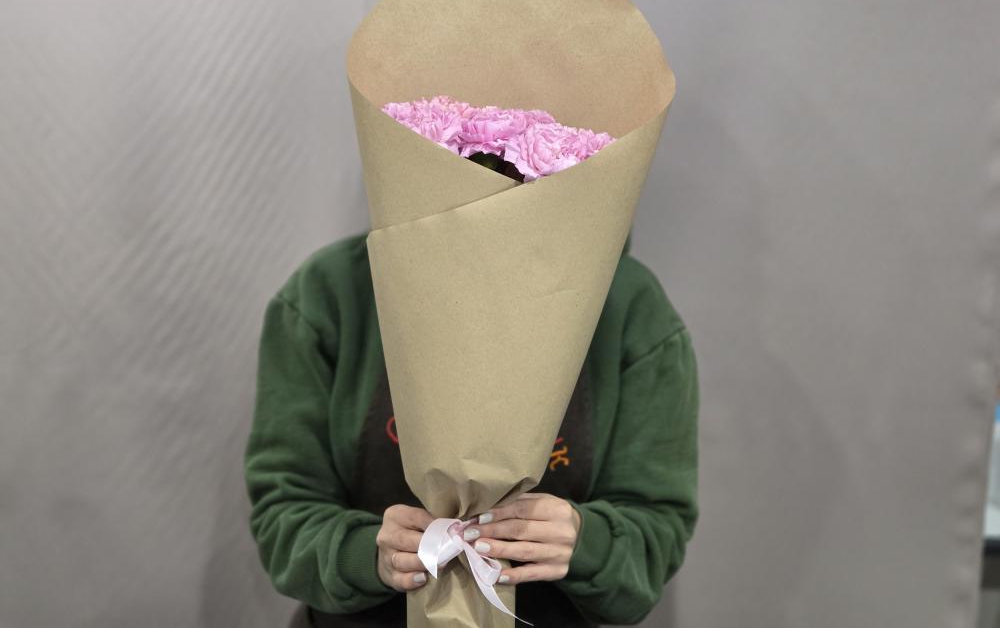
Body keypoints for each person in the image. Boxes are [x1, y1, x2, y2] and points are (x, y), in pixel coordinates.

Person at [243, 227, 699, 627]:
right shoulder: (332, 293)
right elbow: (284, 513)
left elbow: (654, 538)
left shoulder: (629, 308)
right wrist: (367, 554)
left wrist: (586, 541)